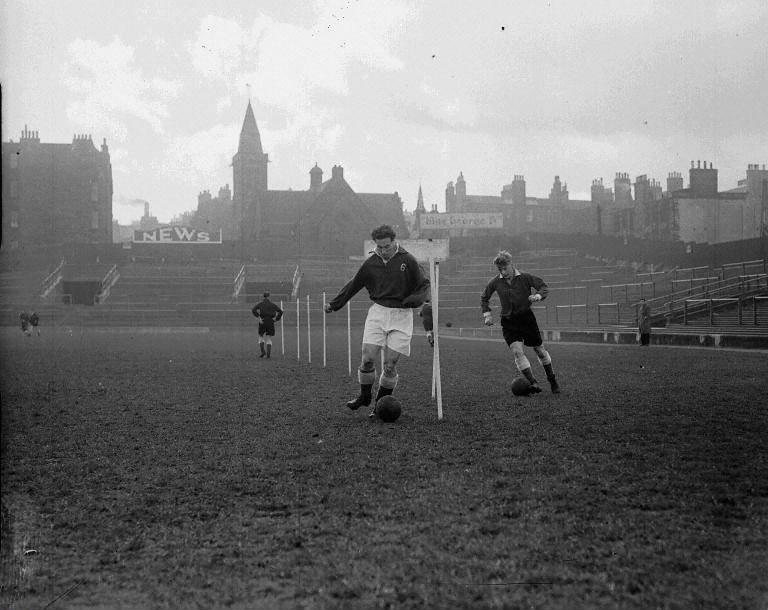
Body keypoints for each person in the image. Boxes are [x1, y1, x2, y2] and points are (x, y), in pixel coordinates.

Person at [324, 224, 430, 416]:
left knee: (390, 365)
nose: (383, 250)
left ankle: (379, 406)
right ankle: (364, 397)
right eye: (379, 247)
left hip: (401, 315)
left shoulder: (408, 260)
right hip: (378, 313)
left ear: (394, 242)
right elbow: (354, 284)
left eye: (386, 246)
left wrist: (415, 300)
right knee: (367, 360)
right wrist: (334, 304)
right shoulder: (371, 263)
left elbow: (424, 284)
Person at [481, 250, 560, 394]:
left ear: (511, 264)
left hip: (526, 319)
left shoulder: (525, 277)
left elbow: (543, 287)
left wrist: (537, 296)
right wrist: (487, 315)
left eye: (505, 268)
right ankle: (533, 383)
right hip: (509, 321)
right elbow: (484, 297)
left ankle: (552, 379)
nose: (503, 272)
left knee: (540, 351)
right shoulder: (495, 282)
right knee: (517, 352)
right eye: (500, 269)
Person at [252, 292, 284, 358]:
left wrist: (259, 317)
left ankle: (263, 352)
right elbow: (280, 311)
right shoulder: (272, 304)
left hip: (262, 321)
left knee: (261, 336)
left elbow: (253, 310)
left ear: (263, 297)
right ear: (269, 297)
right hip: (270, 321)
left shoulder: (260, 304)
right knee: (269, 338)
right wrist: (276, 319)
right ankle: (268, 354)